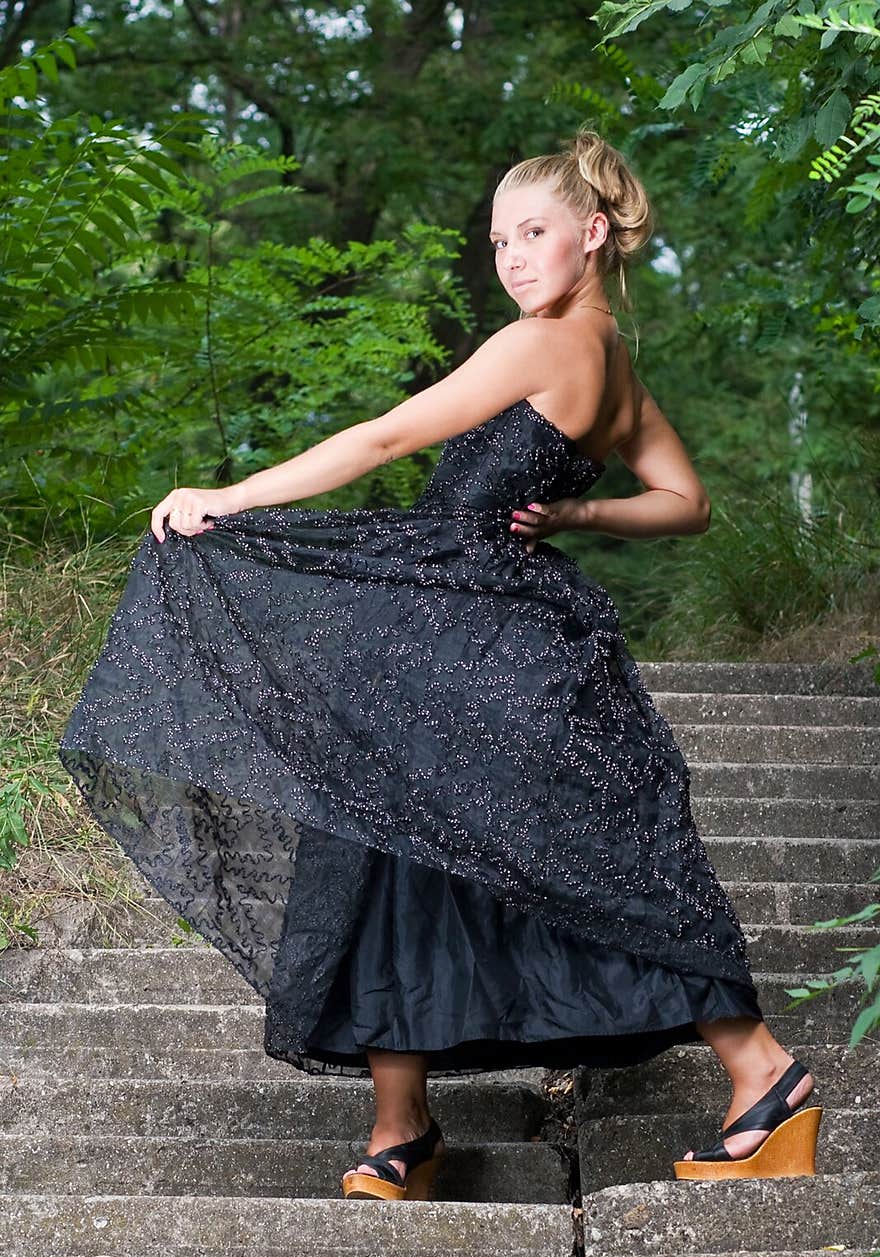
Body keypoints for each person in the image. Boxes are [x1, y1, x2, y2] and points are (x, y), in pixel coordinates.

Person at [58, 126, 820, 1201]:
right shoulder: (613, 364)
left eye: (535, 233)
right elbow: (687, 505)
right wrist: (577, 509)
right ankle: (404, 1123)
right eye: (500, 238)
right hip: (484, 616)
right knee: (400, 844)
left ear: (592, 236)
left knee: (510, 843)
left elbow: (381, 440)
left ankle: (761, 1075)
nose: (511, 257)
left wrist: (226, 497)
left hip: (465, 619)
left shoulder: (540, 346)